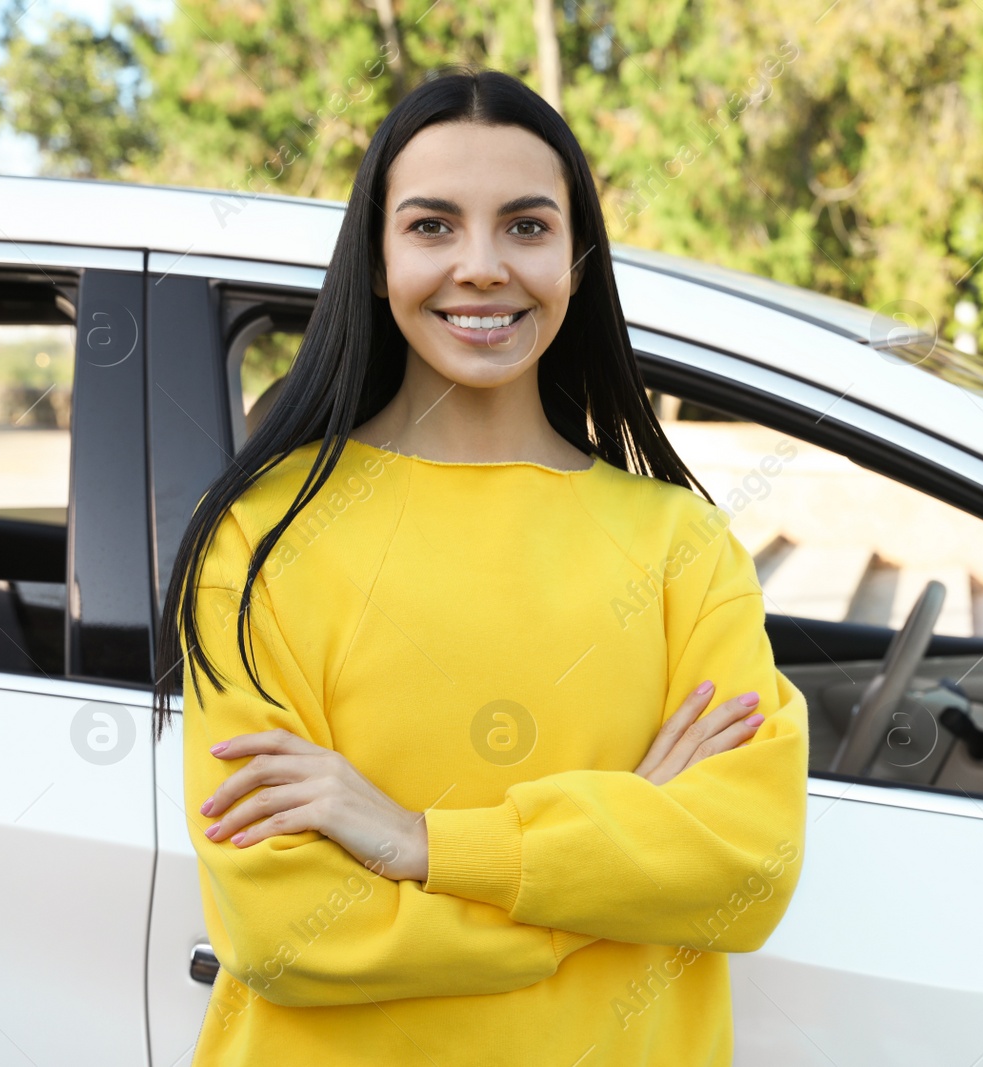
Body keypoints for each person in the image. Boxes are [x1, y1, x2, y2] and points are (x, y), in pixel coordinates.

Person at [149, 64, 810, 1066]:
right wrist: (612, 866)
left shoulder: (681, 545)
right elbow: (285, 929)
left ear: (576, 260)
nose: (482, 265)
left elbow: (747, 867)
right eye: (431, 226)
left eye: (526, 225)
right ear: (375, 260)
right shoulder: (260, 536)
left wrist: (422, 842)